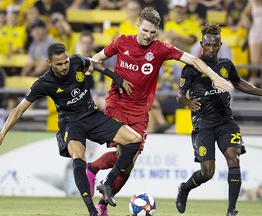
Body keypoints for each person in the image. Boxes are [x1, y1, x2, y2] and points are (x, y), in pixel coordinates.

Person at [86, 7, 233, 216]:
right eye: (145, 30)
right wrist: (106, 74)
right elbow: (96, 59)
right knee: (126, 152)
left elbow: (193, 60)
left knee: (128, 163)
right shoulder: (121, 42)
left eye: (152, 32)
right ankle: (96, 183)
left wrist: (214, 76)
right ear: (138, 25)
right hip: (117, 104)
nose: (148, 36)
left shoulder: (160, 49)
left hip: (140, 110)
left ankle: (97, 186)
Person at [0, 43, 143, 216]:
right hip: (71, 122)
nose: (64, 66)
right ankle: (92, 211)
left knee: (135, 140)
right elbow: (19, 110)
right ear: (49, 63)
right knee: (78, 156)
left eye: (66, 62)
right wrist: (1, 135)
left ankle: (107, 183)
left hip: (92, 115)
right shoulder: (43, 83)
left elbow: (94, 64)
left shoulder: (77, 61)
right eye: (59, 64)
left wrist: (116, 78)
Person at [175, 21, 262, 216]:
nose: (211, 49)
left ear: (220, 45)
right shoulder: (191, 68)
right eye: (208, 45)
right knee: (208, 172)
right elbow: (179, 95)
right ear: (201, 44)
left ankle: (231, 211)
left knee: (234, 158)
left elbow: (239, 84)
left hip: (225, 122)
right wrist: (187, 102)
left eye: (215, 45)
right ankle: (185, 188)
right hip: (203, 124)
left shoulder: (226, 65)